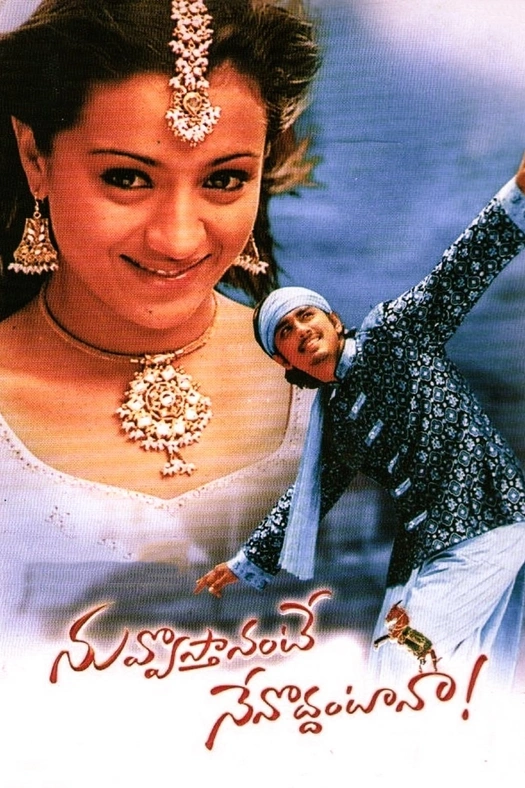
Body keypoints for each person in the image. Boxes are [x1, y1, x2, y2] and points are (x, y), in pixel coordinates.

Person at [0, 0, 321, 638]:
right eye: (127, 178)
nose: (177, 240)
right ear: (36, 157)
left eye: (224, 180)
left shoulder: (336, 391)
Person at [196, 162, 525, 684]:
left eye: (307, 315)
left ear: (332, 320)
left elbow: (458, 272)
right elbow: (310, 493)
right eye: (285, 331)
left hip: (484, 517)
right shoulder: (335, 421)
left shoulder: (395, 333)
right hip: (424, 547)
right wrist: (245, 561)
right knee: (430, 671)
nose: (301, 330)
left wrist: (518, 194)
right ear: (283, 360)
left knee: (403, 665)